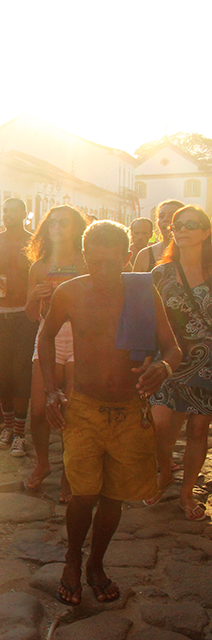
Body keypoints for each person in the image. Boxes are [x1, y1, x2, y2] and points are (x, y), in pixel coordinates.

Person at [41, 220, 180, 606]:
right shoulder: (69, 292)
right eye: (95, 262)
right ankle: (72, 558)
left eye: (111, 262)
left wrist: (162, 368)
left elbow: (173, 348)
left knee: (114, 497)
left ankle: (96, 564)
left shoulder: (142, 291)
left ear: (125, 257)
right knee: (83, 494)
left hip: (130, 411)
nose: (102, 271)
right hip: (83, 408)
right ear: (84, 257)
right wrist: (53, 391)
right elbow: (44, 335)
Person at [146, 205, 212, 520]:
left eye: (191, 224)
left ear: (206, 231)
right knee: (159, 424)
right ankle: (164, 473)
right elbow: (146, 319)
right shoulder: (160, 273)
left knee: (199, 429)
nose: (182, 230)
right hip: (170, 357)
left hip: (209, 361)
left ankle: (187, 493)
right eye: (177, 225)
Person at [22, 206, 88, 497]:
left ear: (75, 229)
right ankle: (42, 463)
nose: (57, 227)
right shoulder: (38, 267)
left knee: (72, 411)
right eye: (52, 223)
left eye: (64, 223)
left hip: (79, 338)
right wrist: (35, 297)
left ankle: (69, 474)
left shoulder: (85, 262)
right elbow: (27, 313)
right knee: (38, 410)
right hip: (47, 336)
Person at [0, 198, 37, 451]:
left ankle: (20, 434)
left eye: (13, 210)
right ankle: (7, 427)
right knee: (1, 375)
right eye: (5, 210)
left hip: (24, 315)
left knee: (22, 374)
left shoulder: (34, 241)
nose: (7, 214)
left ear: (24, 214)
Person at [133, 200, 183, 273]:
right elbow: (134, 283)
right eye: (162, 216)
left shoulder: (195, 252)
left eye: (172, 215)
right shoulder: (144, 255)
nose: (165, 219)